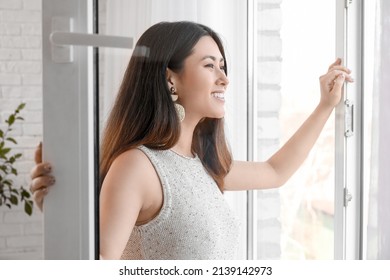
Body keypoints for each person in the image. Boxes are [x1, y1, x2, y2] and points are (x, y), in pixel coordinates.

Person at [29, 21, 353, 260]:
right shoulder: (138, 166)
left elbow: (275, 172)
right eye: (209, 65)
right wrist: (63, 212)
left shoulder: (202, 164)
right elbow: (100, 264)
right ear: (171, 78)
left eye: (222, 66)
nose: (224, 78)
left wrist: (325, 105)